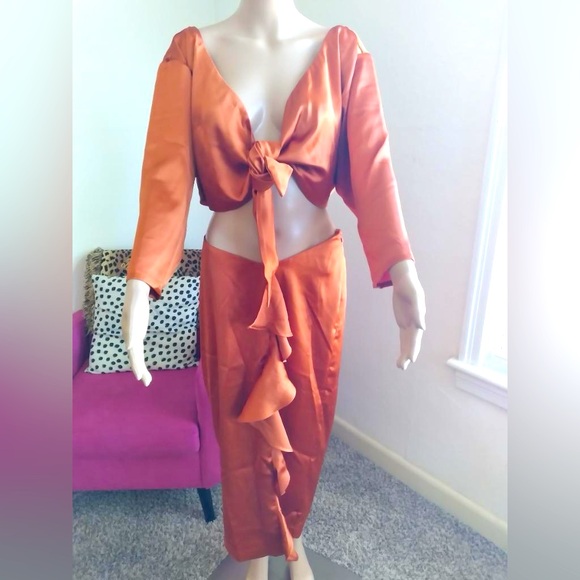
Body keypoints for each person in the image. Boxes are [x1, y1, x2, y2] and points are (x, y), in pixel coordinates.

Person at [121, 1, 426, 579]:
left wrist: (401, 266)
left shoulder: (342, 52)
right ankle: (255, 556)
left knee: (306, 428)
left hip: (314, 279)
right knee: (240, 433)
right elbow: (165, 178)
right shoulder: (189, 53)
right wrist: (142, 282)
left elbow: (373, 169)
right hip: (231, 275)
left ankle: (292, 539)